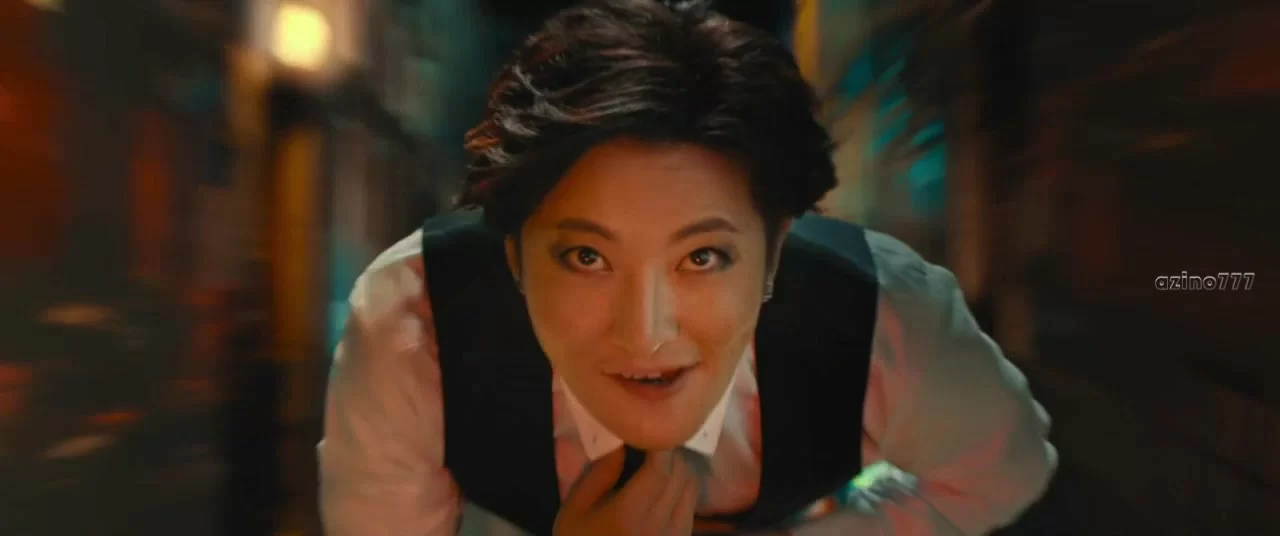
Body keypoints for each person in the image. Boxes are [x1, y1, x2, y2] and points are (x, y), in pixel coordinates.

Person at [318, 1, 1057, 535]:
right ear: (513, 254)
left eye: (703, 257)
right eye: (585, 257)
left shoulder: (881, 313)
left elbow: (1006, 467)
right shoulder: (417, 324)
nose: (646, 334)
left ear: (774, 254)